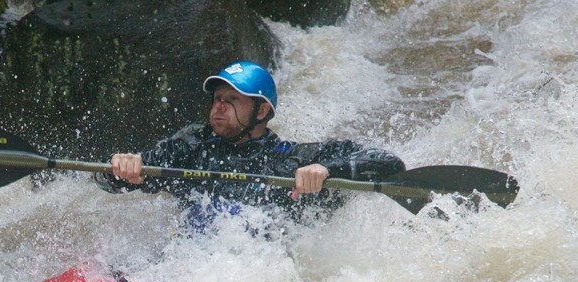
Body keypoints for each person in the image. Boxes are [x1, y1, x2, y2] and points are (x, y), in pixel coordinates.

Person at [96, 61, 406, 233]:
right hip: (186, 268)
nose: (219, 107)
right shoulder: (193, 145)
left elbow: (389, 164)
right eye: (217, 98)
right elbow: (105, 182)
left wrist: (326, 169)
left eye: (232, 101)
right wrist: (122, 168)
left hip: (255, 278)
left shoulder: (289, 160)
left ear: (261, 111)